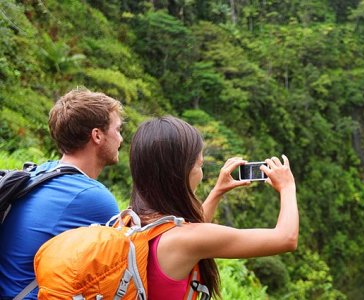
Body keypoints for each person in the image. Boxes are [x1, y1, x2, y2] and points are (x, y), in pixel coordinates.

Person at [129, 116, 298, 299]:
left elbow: (193, 230)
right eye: (199, 165)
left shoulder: (133, 220)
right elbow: (286, 238)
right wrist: (287, 187)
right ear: (179, 173)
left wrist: (217, 191)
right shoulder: (185, 240)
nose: (201, 174)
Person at [0, 88, 123, 299]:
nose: (121, 139)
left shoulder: (40, 171)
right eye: (118, 130)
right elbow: (135, 257)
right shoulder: (93, 197)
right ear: (97, 135)